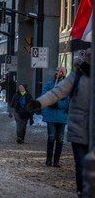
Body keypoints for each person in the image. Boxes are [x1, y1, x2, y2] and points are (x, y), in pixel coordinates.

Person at [27, 48, 91, 198]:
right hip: (79, 129)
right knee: (81, 166)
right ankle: (82, 192)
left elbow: (64, 100)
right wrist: (39, 103)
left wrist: (58, 105)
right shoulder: (76, 76)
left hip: (80, 126)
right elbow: (56, 93)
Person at [41, 66, 70, 167]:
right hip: (50, 116)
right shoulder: (49, 84)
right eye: (56, 70)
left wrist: (57, 104)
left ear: (64, 74)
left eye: (60, 71)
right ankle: (48, 159)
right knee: (51, 137)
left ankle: (56, 160)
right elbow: (44, 95)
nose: (57, 72)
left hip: (61, 117)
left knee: (60, 139)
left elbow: (67, 102)